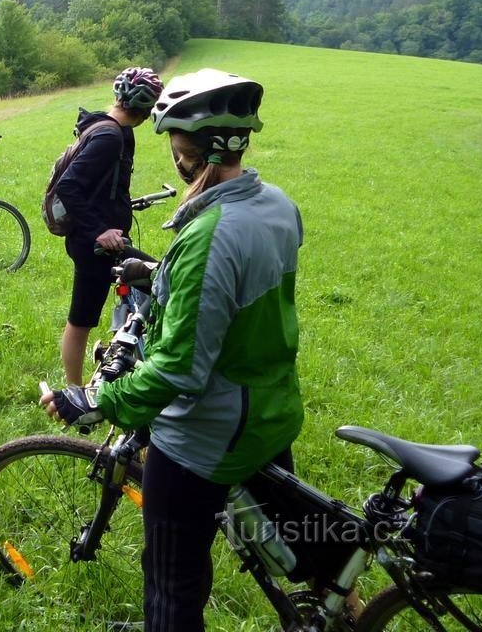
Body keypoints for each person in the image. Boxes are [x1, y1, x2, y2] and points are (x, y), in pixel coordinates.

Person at [41, 68, 304, 631]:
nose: (174, 156)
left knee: (171, 587)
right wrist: (161, 273)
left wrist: (97, 400)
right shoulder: (278, 205)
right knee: (300, 550)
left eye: (176, 145)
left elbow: (179, 369)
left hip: (202, 437)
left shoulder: (210, 233)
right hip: (270, 411)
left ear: (191, 152)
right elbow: (232, 293)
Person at [57, 67, 163, 386]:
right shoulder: (109, 136)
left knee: (149, 288)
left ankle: (122, 351)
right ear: (146, 109)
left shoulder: (111, 129)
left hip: (104, 240)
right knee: (82, 319)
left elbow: (103, 183)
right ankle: (74, 391)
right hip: (95, 245)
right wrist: (99, 229)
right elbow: (68, 186)